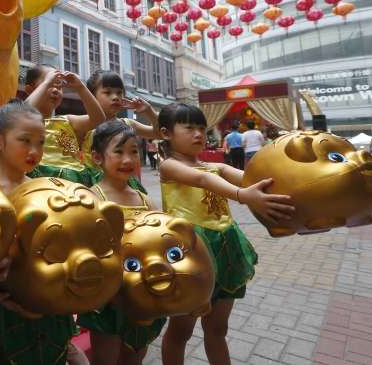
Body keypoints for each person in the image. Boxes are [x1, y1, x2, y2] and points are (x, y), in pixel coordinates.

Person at [157, 103, 294, 365]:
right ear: (165, 133)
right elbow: (201, 180)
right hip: (190, 251)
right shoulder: (168, 167)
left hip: (225, 247)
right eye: (189, 127)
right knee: (181, 331)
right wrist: (243, 196)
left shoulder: (214, 166)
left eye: (201, 128)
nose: (198, 134)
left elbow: (249, 177)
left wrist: (284, 184)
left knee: (218, 328)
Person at [0, 99, 86, 365]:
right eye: (25, 140)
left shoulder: (44, 187)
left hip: (40, 295)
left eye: (41, 142)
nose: (35, 150)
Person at [78, 120, 166, 365]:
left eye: (134, 152)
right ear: (97, 157)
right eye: (118, 152)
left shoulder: (143, 198)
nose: (128, 159)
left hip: (142, 293)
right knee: (106, 358)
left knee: (135, 355)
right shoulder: (91, 197)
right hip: (107, 296)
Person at [23, 65, 105, 186]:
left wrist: (81, 87)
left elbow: (98, 119)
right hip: (41, 180)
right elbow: (23, 113)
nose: (56, 90)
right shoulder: (22, 120)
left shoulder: (67, 120)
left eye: (59, 85)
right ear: (30, 90)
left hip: (75, 180)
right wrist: (48, 82)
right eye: (49, 84)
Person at [80, 70, 158, 171]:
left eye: (119, 93)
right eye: (107, 92)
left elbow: (158, 133)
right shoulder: (83, 124)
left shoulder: (127, 124)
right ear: (92, 96)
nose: (115, 97)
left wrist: (149, 111)